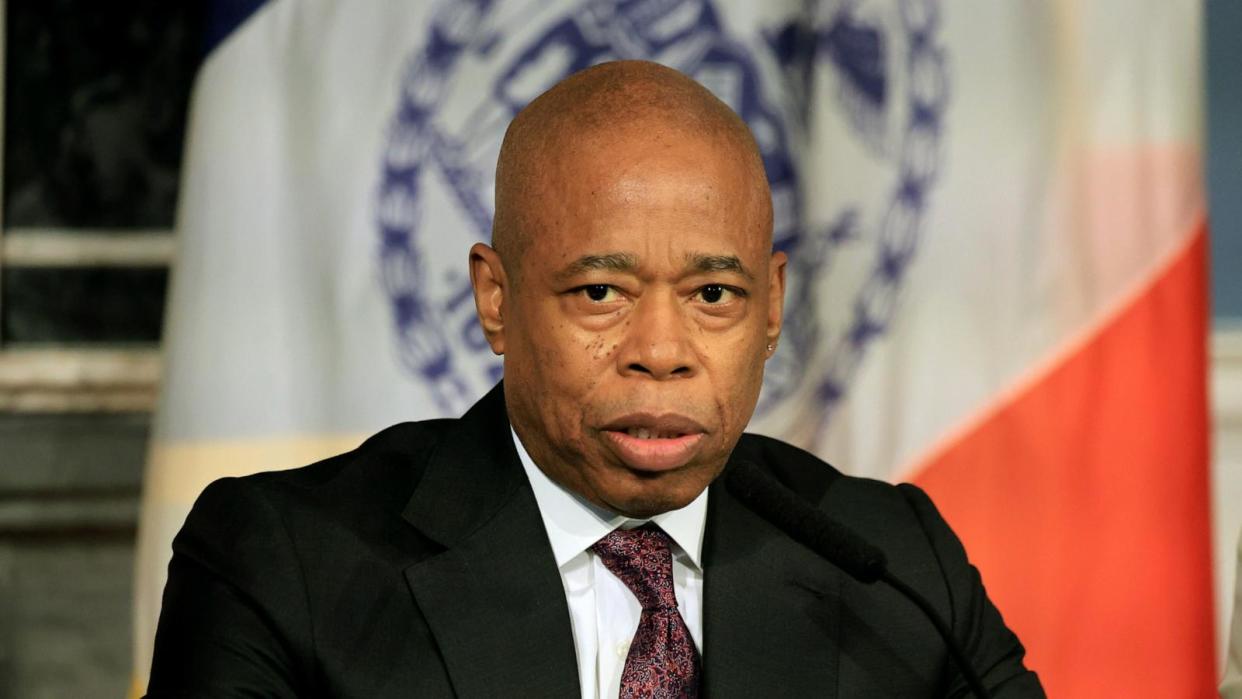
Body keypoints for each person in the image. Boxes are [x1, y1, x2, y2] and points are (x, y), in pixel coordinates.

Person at [146, 60, 1043, 698]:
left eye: (714, 293)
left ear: (772, 305)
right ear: (495, 299)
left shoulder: (894, 565)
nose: (662, 347)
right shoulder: (285, 565)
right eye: (601, 291)